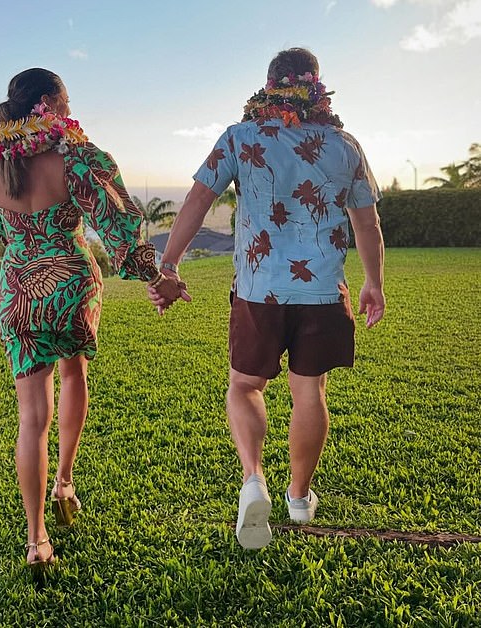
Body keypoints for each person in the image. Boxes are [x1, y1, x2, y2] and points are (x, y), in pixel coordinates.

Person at [150, 48, 385, 549]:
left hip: (259, 291)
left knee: (244, 385)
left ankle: (253, 479)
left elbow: (197, 199)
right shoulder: (345, 145)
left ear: (269, 83)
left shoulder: (240, 137)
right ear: (317, 85)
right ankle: (298, 497)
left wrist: (168, 265)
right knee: (309, 391)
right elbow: (367, 222)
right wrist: (373, 283)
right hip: (323, 292)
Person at [0, 68, 185, 573]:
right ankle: (65, 480)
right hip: (70, 283)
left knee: (30, 418)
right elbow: (120, 227)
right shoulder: (76, 157)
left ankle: (37, 539)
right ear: (48, 103)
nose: (70, 113)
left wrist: (28, 255)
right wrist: (158, 279)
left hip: (19, 288)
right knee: (74, 374)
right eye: (66, 104)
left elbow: (5, 227)